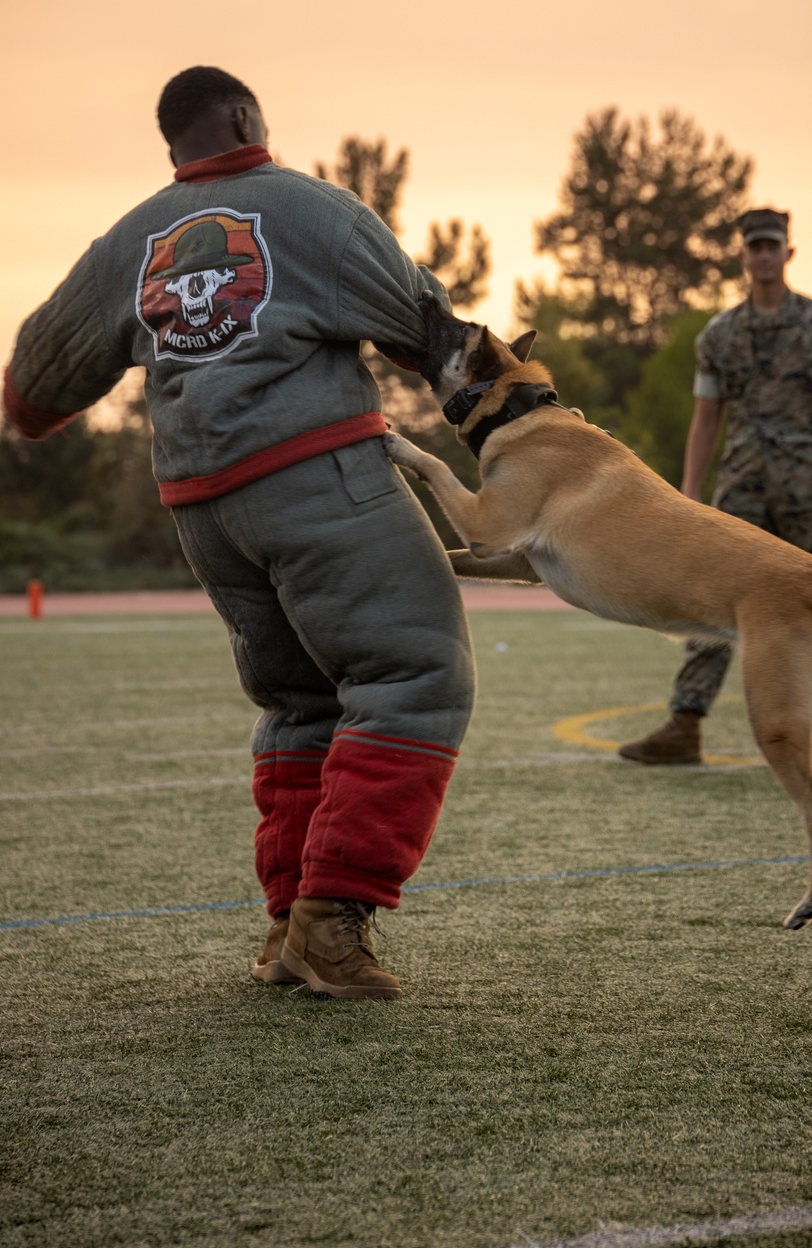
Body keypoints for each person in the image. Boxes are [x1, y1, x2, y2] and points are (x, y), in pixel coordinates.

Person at [3, 66, 476, 1000]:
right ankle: (333, 919)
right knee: (415, 673)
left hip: (203, 510)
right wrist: (536, 440)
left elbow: (29, 395)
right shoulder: (315, 211)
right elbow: (438, 343)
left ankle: (287, 931)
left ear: (173, 146)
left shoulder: (128, 242)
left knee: (302, 704)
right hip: (316, 478)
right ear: (249, 117)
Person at [618, 206, 812, 767]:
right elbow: (707, 420)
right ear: (742, 255)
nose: (763, 255)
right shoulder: (720, 335)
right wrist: (684, 495)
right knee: (711, 603)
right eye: (754, 246)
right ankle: (684, 726)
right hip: (743, 490)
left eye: (772, 245)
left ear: (788, 252)